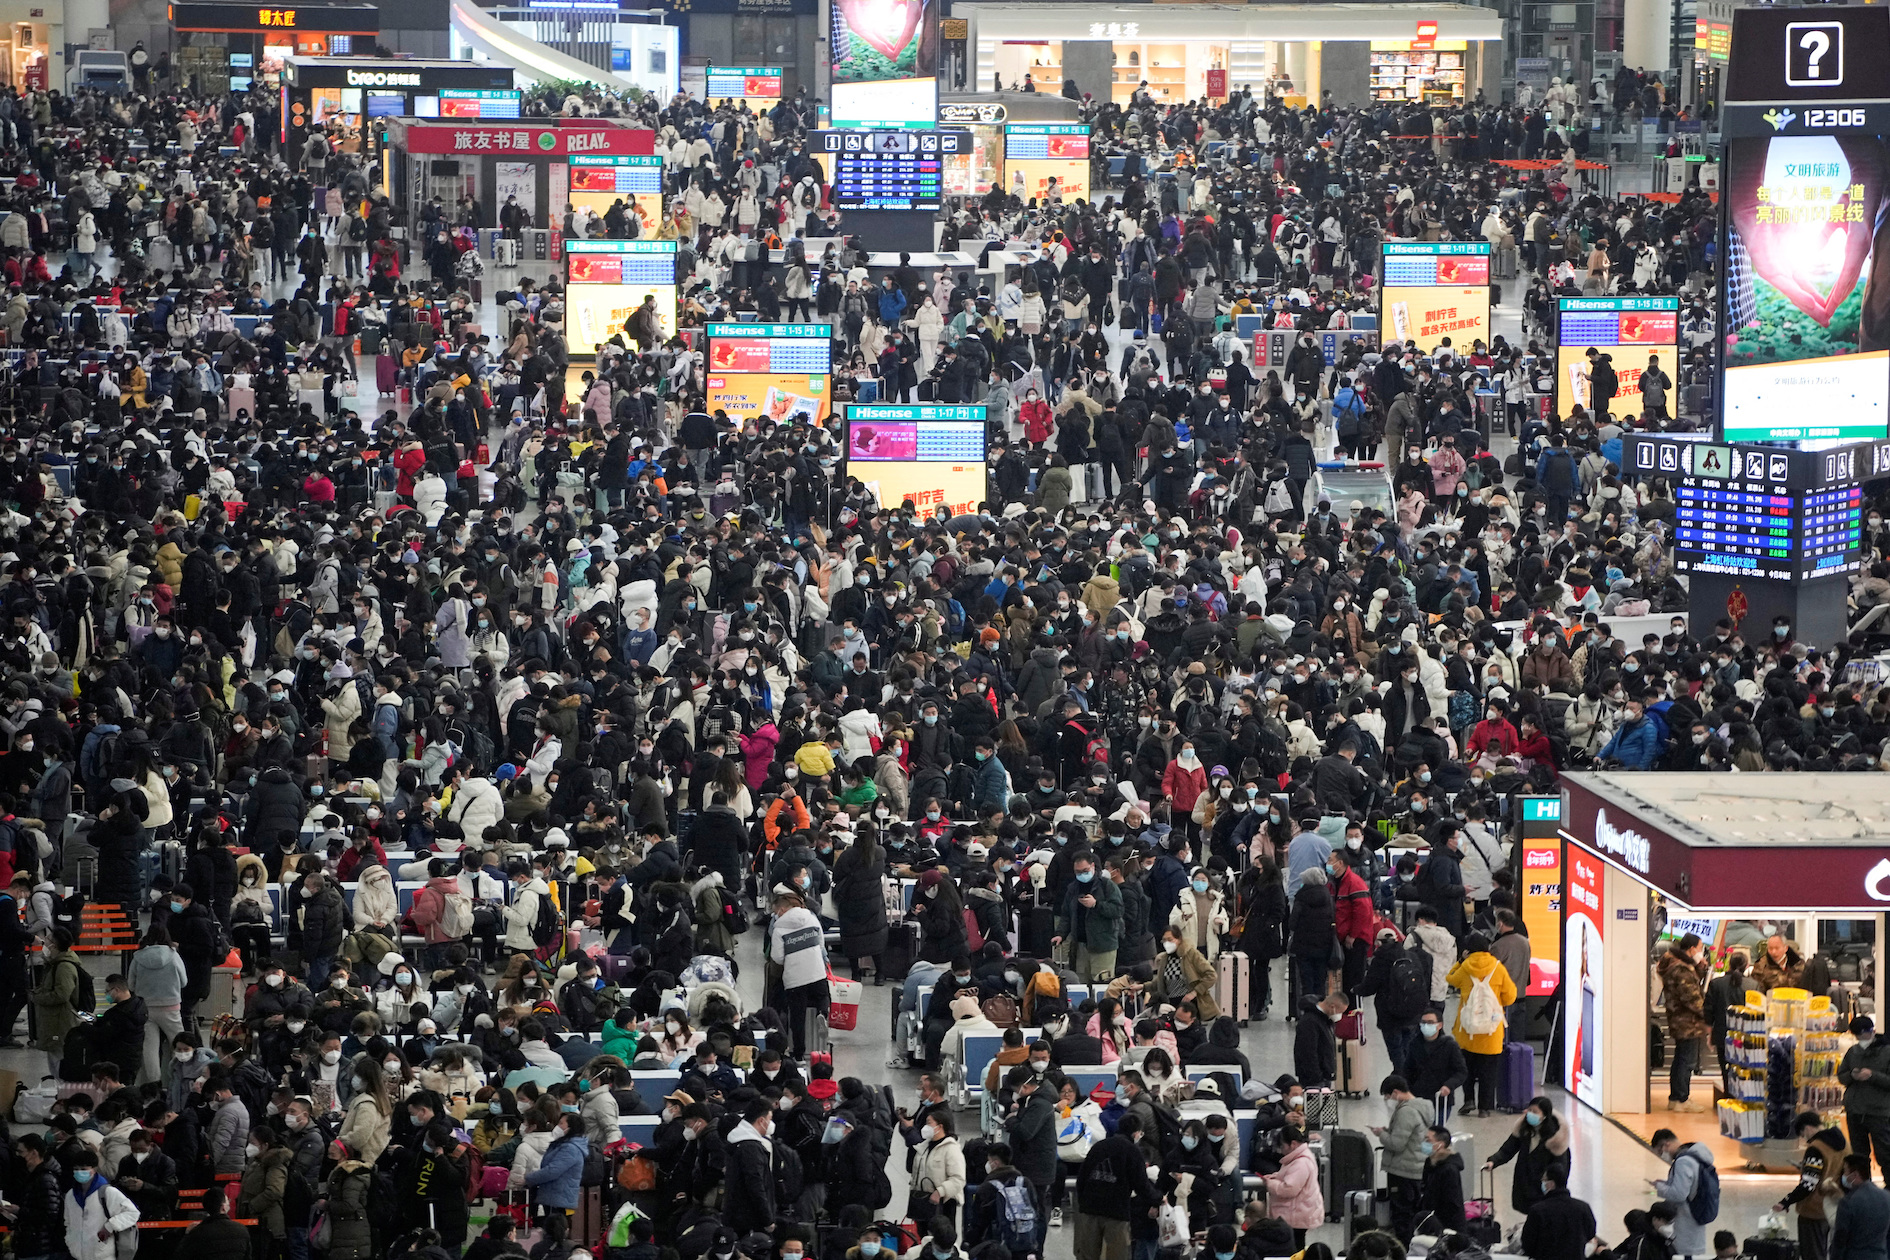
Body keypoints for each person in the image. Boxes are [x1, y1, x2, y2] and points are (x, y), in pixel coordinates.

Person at [1446, 933, 1517, 1116]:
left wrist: (1461, 961)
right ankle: (1485, 1108)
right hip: (1491, 1030)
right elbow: (1510, 996)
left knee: (1466, 1067)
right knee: (1488, 1071)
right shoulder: (1498, 968)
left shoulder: (1465, 968)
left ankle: (1469, 1100)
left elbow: (1450, 978)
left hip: (1467, 1029)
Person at [1776, 1110, 1848, 1260]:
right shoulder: (1844, 1143)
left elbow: (1808, 1185)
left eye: (1803, 1134)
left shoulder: (1816, 1148)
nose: (1805, 1139)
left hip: (1813, 1211)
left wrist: (1786, 1201)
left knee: (1813, 1254)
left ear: (1808, 1128)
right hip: (1835, 1206)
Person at [1374, 1075, 1436, 1242]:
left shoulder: (1406, 1111)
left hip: (1402, 1171)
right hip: (1417, 1168)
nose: (1387, 1101)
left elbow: (1396, 1144)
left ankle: (1404, 1251)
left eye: (1387, 1097)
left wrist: (1381, 1134)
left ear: (1395, 1093)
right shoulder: (1425, 1107)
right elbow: (1417, 1138)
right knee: (1413, 1214)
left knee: (1401, 1218)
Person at [1486, 1097, 1571, 1216]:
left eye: (1535, 1112)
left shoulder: (1556, 1139)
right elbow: (1508, 1149)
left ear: (1545, 1115)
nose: (1530, 1114)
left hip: (1543, 1189)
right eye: (1529, 1110)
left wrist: (1550, 1186)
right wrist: (1493, 1161)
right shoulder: (1524, 1130)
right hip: (1524, 1184)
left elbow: (1561, 1169)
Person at [1659, 934, 1711, 1113]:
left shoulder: (1678, 964)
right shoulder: (1681, 969)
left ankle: (1676, 1097)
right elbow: (1692, 998)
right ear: (1691, 949)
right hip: (1687, 1021)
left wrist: (1700, 968)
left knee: (1681, 1059)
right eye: (1700, 947)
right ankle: (1681, 1098)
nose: (1701, 951)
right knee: (1686, 1061)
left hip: (1680, 1019)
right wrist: (1708, 1015)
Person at [1651, 1128, 1719, 1258]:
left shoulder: (1683, 1161)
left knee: (1684, 1254)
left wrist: (1660, 1187)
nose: (1662, 1155)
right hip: (1697, 1214)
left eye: (1660, 1151)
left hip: (1687, 1218)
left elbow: (1679, 1194)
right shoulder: (1695, 1156)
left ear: (1666, 1144)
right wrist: (1667, 1183)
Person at [1520, 1165, 1598, 1260]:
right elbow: (1590, 1234)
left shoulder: (1537, 1211)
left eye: (1544, 1180)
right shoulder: (1583, 1208)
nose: (1542, 1183)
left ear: (1551, 1184)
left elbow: (1527, 1244)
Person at [1832, 1154, 1890, 1260]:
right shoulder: (1886, 1197)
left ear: (1855, 1175)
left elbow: (1840, 1238)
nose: (1843, 1175)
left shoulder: (1848, 1202)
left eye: (1845, 1171)